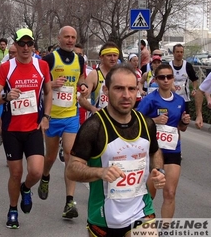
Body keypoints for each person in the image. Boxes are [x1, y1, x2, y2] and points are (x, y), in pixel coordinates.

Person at [66, 64, 166, 237]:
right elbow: (72, 170)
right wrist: (101, 172)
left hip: (141, 211)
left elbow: (155, 151)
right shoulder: (93, 127)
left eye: (131, 89)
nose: (126, 95)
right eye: (119, 88)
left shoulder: (147, 123)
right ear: (106, 90)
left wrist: (158, 170)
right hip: (104, 218)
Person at [0, 28, 52, 229]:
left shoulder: (41, 66)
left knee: (36, 172)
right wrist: (6, 96)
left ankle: (26, 189)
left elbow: (48, 93)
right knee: (15, 173)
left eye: (29, 44)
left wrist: (46, 117)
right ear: (14, 44)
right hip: (12, 129)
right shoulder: (6, 68)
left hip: (33, 128)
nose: (25, 48)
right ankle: (13, 209)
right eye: (21, 44)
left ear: (33, 45)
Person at [38, 26, 87, 219]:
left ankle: (69, 201)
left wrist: (82, 86)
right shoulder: (49, 59)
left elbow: (81, 79)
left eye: (73, 37)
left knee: (70, 155)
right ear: (59, 39)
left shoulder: (80, 59)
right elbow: (38, 84)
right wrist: (51, 84)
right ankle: (45, 176)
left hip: (71, 115)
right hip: (52, 116)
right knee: (49, 157)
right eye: (66, 37)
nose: (70, 40)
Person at [137, 64, 190, 220]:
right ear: (156, 80)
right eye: (162, 77)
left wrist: (185, 122)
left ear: (173, 78)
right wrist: (155, 120)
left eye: (169, 77)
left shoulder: (180, 100)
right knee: (149, 194)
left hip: (173, 150)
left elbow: (181, 128)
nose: (166, 80)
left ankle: (165, 230)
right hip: (154, 152)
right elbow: (136, 121)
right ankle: (143, 226)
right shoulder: (150, 100)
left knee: (170, 193)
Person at [79, 41, 119, 114]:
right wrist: (92, 108)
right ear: (101, 57)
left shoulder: (121, 74)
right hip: (99, 119)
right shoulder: (94, 74)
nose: (113, 58)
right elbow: (82, 99)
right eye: (109, 55)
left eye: (115, 55)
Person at [169, 44, 199, 114]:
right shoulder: (168, 66)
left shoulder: (188, 66)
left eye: (181, 52)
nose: (179, 54)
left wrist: (194, 89)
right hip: (171, 98)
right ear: (173, 53)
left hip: (184, 98)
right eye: (177, 52)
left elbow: (194, 80)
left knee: (185, 119)